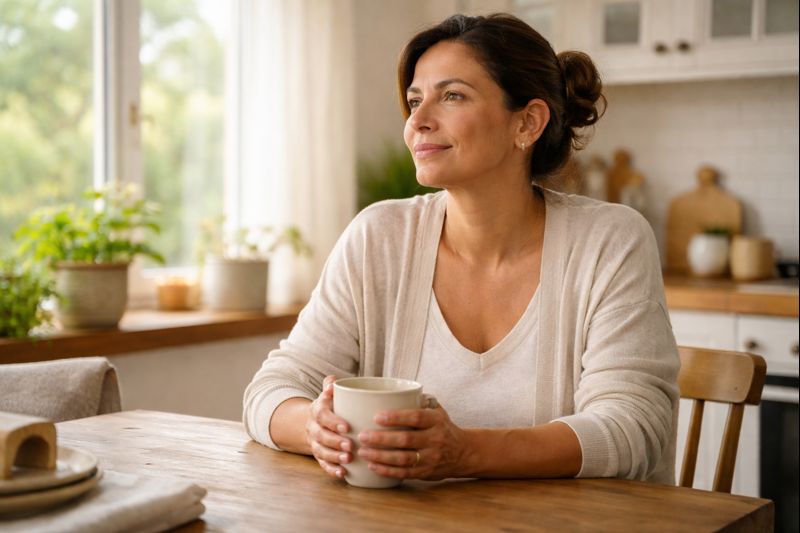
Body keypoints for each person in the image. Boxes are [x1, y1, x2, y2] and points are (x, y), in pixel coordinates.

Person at [243, 13, 679, 484]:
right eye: (414, 100)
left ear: (528, 123)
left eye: (452, 96)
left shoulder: (609, 241)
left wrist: (465, 452)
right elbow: (272, 390)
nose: (418, 122)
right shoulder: (379, 236)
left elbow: (633, 427)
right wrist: (316, 428)